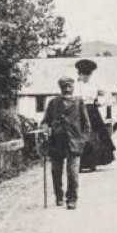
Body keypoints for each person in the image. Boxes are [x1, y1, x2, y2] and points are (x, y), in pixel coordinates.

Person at [42, 76, 91, 209]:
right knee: (56, 171)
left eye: (69, 86)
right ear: (61, 88)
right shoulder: (53, 103)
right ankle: (59, 195)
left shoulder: (79, 102)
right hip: (57, 142)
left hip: (74, 142)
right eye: (64, 87)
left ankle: (72, 198)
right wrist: (45, 130)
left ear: (73, 87)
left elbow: (86, 124)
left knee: (73, 172)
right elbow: (45, 121)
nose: (67, 89)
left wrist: (83, 140)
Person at [73, 58, 115, 171]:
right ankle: (81, 164)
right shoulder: (75, 86)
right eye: (83, 74)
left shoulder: (94, 85)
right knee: (81, 136)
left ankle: (93, 163)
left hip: (92, 112)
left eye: (88, 74)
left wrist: (100, 102)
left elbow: (107, 94)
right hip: (79, 112)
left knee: (95, 137)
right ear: (79, 74)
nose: (85, 77)